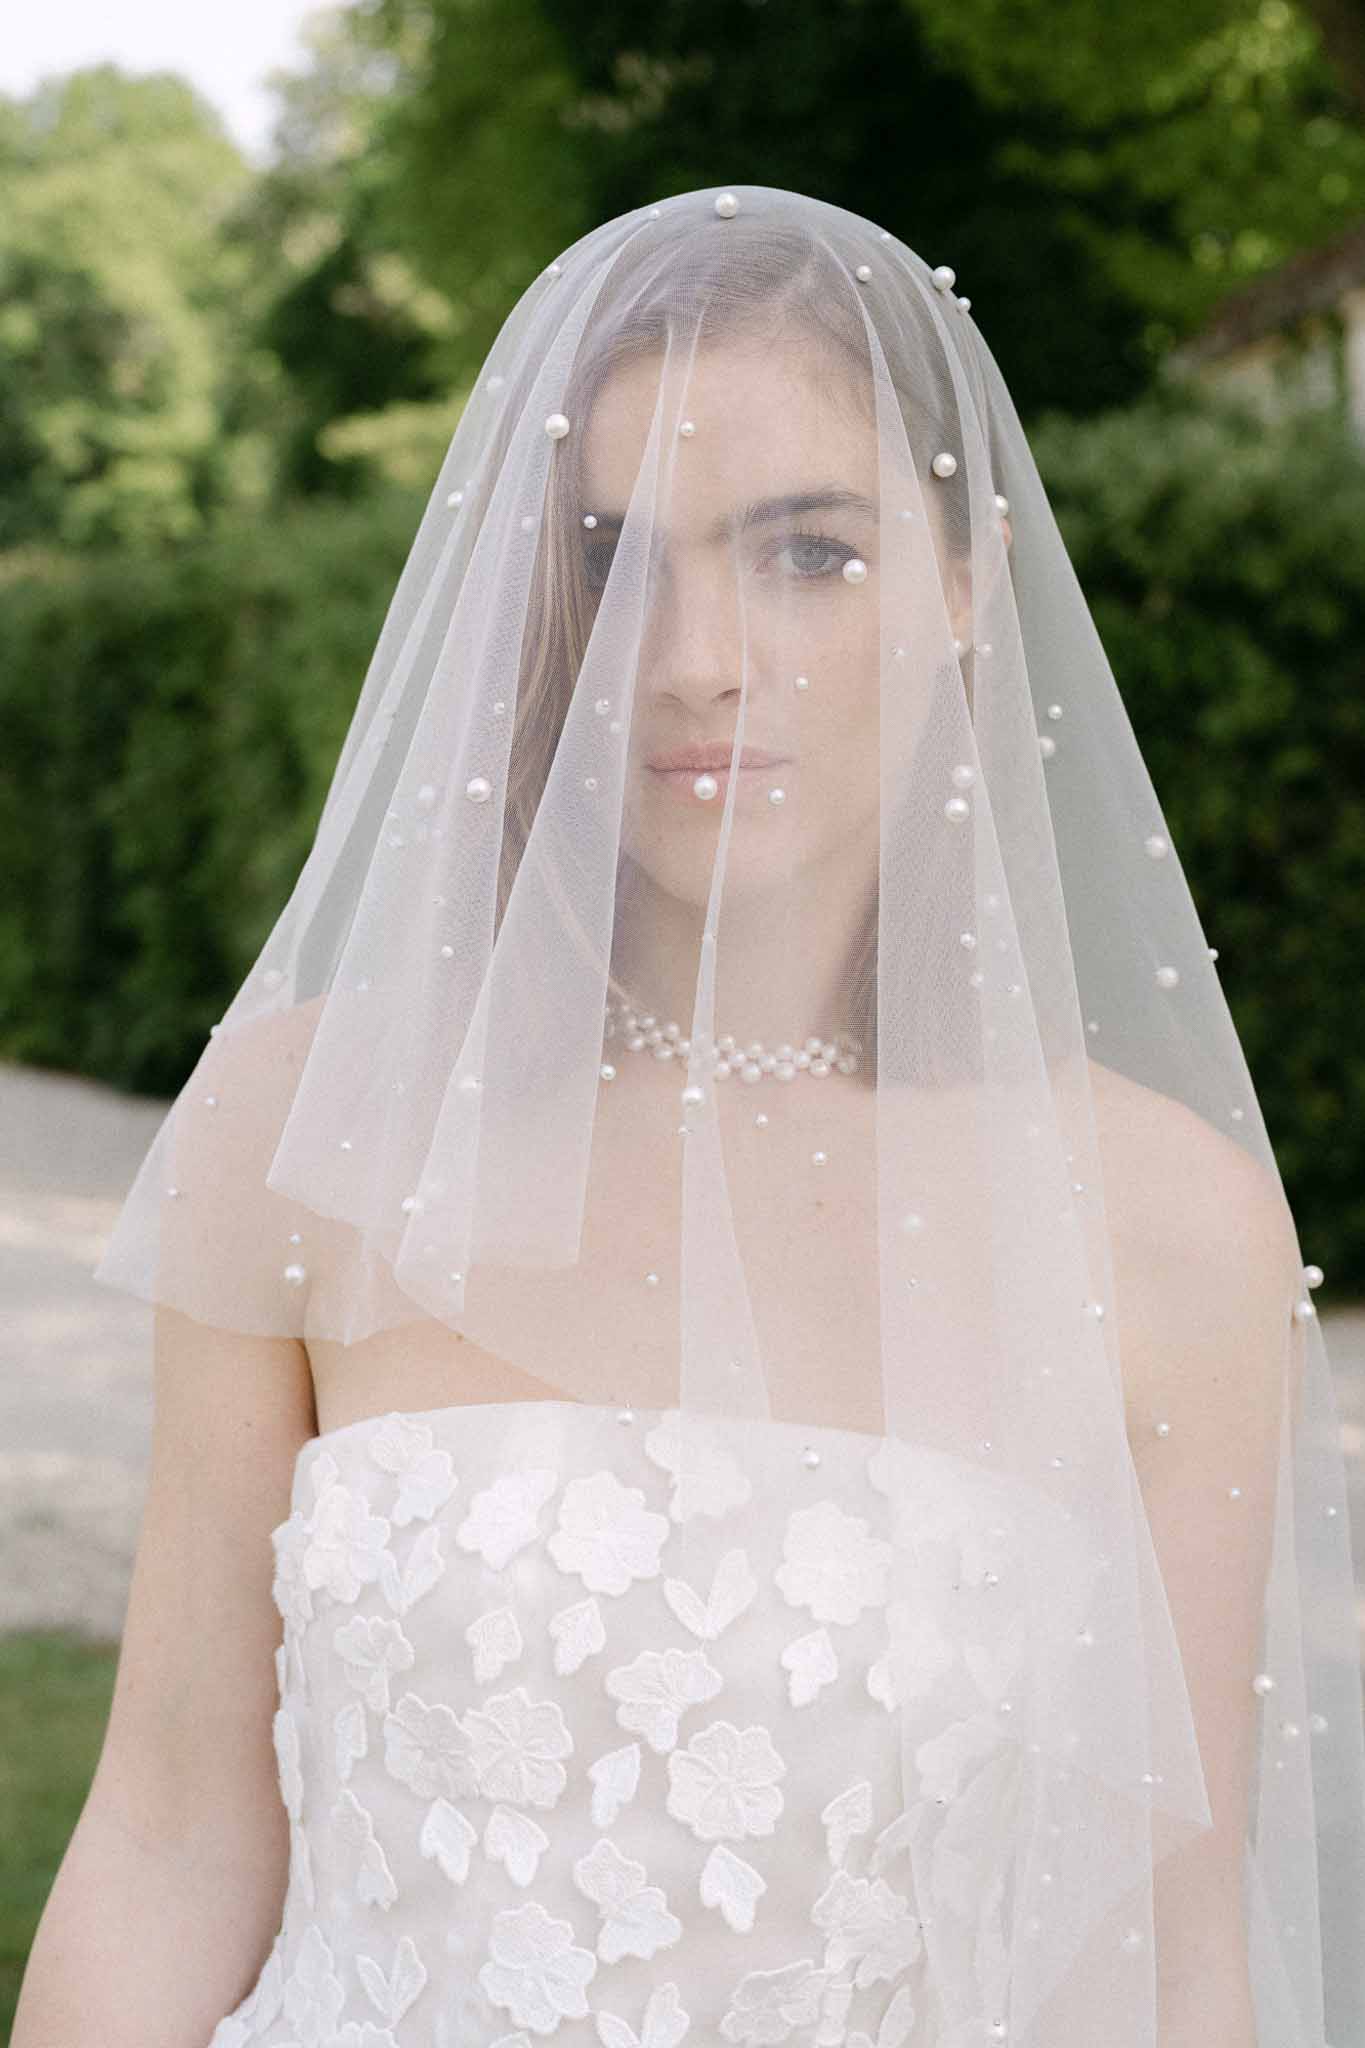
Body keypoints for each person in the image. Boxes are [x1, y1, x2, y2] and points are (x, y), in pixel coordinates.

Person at [14, 184, 1365, 2048]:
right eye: (609, 554)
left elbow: (1159, 1959)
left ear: (966, 584)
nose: (693, 656)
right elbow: (169, 1838)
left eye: (806, 552)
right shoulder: (314, 1119)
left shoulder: (1166, 1231)